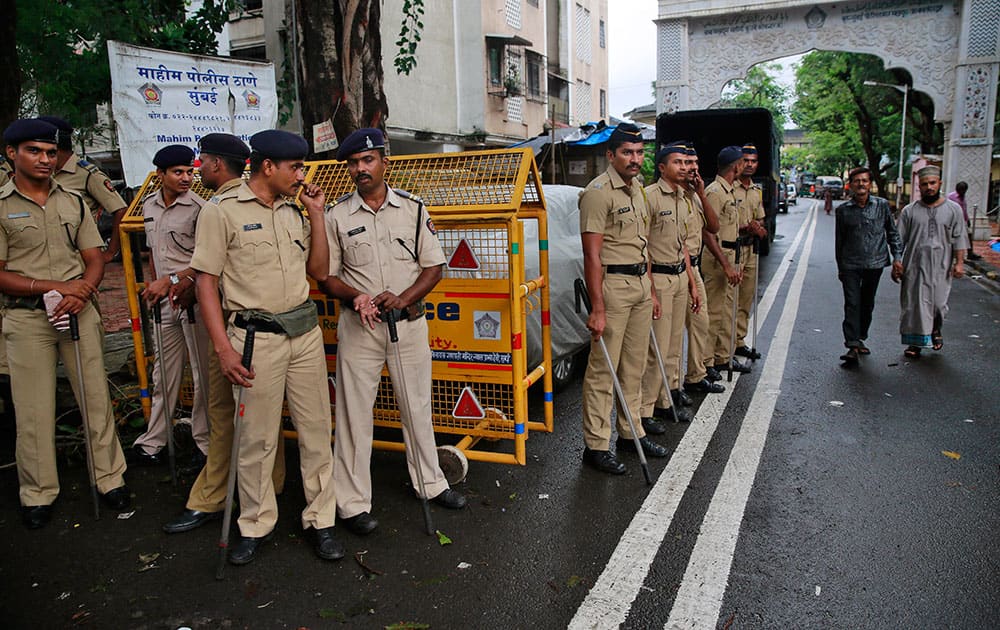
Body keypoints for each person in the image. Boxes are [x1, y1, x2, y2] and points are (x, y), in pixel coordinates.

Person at [191, 129, 341, 564]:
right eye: (295, 167)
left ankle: (321, 520)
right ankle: (255, 523)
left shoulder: (296, 210)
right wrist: (223, 349)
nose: (301, 175)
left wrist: (316, 214)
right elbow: (206, 282)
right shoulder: (222, 211)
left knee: (316, 432)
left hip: (304, 336)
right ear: (267, 166)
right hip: (254, 339)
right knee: (256, 439)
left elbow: (319, 271)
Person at [323, 128, 467, 536]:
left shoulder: (414, 209)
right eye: (353, 163)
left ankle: (430, 483)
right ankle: (351, 504)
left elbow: (434, 267)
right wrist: (358, 298)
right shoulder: (336, 216)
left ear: (385, 162)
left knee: (417, 408)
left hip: (408, 325)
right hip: (361, 328)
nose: (360, 169)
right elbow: (327, 278)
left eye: (367, 161)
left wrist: (402, 298)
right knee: (353, 416)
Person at [0, 118, 130, 529]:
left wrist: (82, 292)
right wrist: (52, 286)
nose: (44, 159)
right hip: (27, 318)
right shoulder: (1, 205)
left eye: (50, 152)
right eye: (34, 151)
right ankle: (38, 493)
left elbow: (93, 256)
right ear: (12, 154)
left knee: (95, 398)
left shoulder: (72, 200)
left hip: (78, 313)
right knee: (34, 409)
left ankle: (110, 479)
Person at [161, 133, 288, 535]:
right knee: (260, 417)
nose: (197, 170)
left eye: (201, 162)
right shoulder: (250, 202)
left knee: (226, 412)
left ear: (217, 165)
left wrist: (184, 286)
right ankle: (269, 486)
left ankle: (214, 495)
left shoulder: (221, 207)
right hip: (252, 327)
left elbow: (209, 275)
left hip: (235, 329)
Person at [579, 123, 667, 476]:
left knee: (634, 366)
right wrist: (597, 308)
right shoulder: (598, 192)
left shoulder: (638, 190)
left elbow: (642, 244)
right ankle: (596, 445)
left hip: (640, 286)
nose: (635, 159)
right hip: (612, 287)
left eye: (640, 152)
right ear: (611, 155)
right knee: (604, 369)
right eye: (627, 153)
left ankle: (631, 433)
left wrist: (652, 290)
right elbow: (591, 255)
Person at [130, 145, 211, 469]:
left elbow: (207, 259)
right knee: (164, 373)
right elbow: (155, 252)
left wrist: (175, 279)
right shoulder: (149, 206)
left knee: (203, 374)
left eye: (189, 171)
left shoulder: (200, 209)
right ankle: (154, 440)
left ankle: (205, 443)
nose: (186, 178)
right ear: (160, 175)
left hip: (194, 299)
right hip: (165, 301)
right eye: (178, 172)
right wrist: (157, 283)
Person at [639, 142, 697, 432]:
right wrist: (650, 290)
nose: (684, 168)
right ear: (662, 167)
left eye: (686, 164)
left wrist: (693, 284)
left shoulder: (684, 198)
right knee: (657, 350)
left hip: (680, 277)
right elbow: (643, 247)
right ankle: (645, 411)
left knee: (674, 347)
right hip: (658, 278)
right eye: (678, 163)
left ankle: (665, 401)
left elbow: (684, 245)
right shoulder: (649, 197)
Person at [896, 166, 969, 358]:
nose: (929, 187)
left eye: (932, 183)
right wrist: (897, 262)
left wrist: (959, 263)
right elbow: (899, 240)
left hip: (941, 266)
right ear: (919, 186)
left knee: (938, 304)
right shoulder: (909, 211)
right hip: (914, 265)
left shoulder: (954, 210)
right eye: (924, 184)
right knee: (914, 305)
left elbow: (960, 237)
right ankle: (914, 344)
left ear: (940, 184)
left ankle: (936, 329)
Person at [834, 166, 903, 364]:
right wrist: (840, 267)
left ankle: (861, 336)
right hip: (850, 265)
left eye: (864, 180)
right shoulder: (843, 211)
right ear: (851, 185)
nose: (861, 184)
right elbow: (840, 241)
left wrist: (897, 257)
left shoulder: (882, 206)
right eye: (857, 181)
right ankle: (852, 344)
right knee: (852, 303)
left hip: (875, 263)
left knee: (867, 303)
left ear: (870, 184)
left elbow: (892, 233)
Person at [36, 116, 128, 263]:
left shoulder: (86, 174)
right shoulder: (45, 173)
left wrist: (111, 251)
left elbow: (120, 210)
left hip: (80, 257)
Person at [680, 144, 726, 394]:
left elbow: (714, 226)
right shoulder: (670, 197)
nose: (692, 168)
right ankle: (672, 388)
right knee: (675, 336)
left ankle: (696, 375)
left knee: (701, 324)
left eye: (695, 164)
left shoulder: (695, 195)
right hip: (678, 270)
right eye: (687, 163)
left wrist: (701, 194)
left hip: (694, 268)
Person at [701, 146, 750, 376]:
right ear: (736, 165)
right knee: (713, 313)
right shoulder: (714, 191)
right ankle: (706, 362)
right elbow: (708, 232)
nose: (745, 166)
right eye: (743, 162)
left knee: (728, 310)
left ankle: (723, 356)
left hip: (733, 254)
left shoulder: (729, 190)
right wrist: (726, 264)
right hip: (717, 259)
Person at [733, 144, 767, 361]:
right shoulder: (729, 188)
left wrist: (759, 228)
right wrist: (745, 227)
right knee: (730, 302)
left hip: (750, 249)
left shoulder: (756, 191)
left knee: (746, 300)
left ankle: (739, 341)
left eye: (753, 161)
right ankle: (724, 346)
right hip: (733, 249)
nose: (749, 165)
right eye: (745, 160)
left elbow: (761, 219)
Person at [947, 181, 981, 261]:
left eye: (963, 190)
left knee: (969, 235)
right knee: (955, 237)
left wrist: (967, 219)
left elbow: (964, 208)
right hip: (954, 220)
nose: (962, 192)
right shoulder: (951, 197)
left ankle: (970, 253)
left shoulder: (963, 197)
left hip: (963, 220)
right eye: (960, 190)